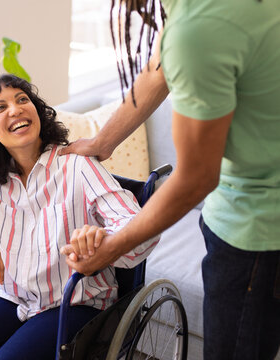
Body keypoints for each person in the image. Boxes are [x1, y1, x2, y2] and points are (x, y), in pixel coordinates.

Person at [59, 0, 280, 359]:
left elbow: (195, 178)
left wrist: (110, 250)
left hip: (255, 233)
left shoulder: (198, 30)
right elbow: (156, 70)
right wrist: (103, 141)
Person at [0, 74, 158, 359]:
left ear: (37, 113)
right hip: (9, 292)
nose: (15, 109)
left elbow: (136, 225)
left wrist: (103, 241)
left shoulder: (77, 165)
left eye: (22, 100)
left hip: (74, 301)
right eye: (0, 108)